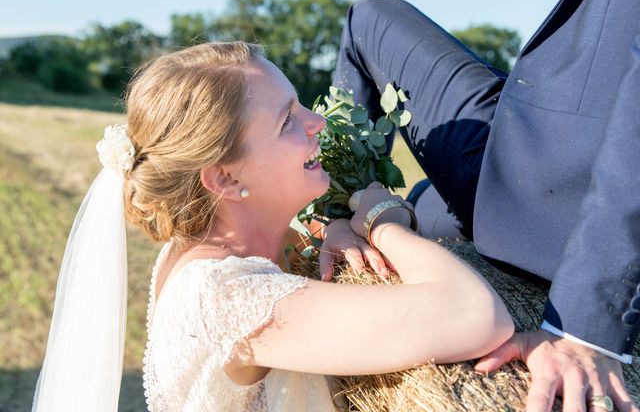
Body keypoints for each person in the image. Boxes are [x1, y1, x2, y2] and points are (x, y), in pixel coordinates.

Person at [31, 42, 513, 411]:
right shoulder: (220, 299)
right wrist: (382, 220)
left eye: (299, 104)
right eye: (286, 122)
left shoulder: (225, 238)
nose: (316, 123)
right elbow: (477, 316)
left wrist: (335, 229)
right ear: (225, 177)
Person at [324, 0, 640, 410]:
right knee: (428, 202)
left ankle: (341, 213)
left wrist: (586, 328)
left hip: (543, 188)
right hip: (541, 132)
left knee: (369, 17)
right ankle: (385, 211)